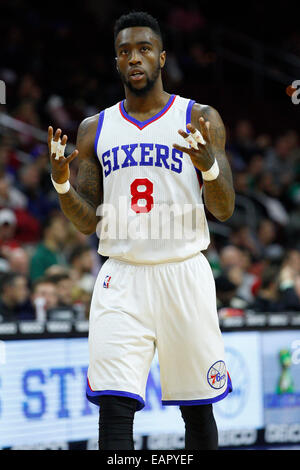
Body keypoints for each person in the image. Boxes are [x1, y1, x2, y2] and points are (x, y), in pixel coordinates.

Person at [47, 11, 235, 450]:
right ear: (116, 63)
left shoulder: (200, 117)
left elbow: (223, 209)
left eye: (144, 49)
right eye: (125, 52)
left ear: (162, 57)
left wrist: (207, 163)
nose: (135, 58)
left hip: (184, 271)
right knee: (114, 407)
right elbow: (88, 220)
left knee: (197, 406)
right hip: (122, 275)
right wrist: (61, 183)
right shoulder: (95, 129)